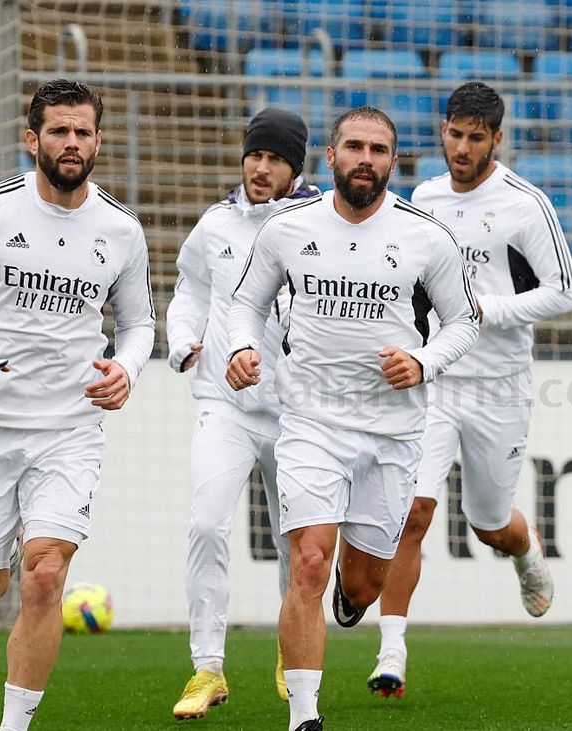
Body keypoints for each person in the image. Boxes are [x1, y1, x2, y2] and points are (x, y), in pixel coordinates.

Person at [0, 79, 155, 731]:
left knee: (47, 574)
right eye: (58, 131)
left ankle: (13, 725)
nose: (71, 143)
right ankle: (11, 540)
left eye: (82, 132)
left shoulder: (121, 231)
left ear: (99, 140)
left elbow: (138, 326)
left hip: (69, 428)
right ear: (33, 139)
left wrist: (125, 369)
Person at [226, 106, 479, 731]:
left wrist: (422, 362)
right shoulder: (288, 229)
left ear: (393, 162)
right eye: (354, 147)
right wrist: (239, 347)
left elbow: (465, 322)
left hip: (393, 432)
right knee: (309, 560)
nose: (366, 159)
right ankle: (305, 717)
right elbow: (244, 305)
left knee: (362, 584)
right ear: (331, 157)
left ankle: (353, 593)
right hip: (310, 423)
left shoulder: (426, 236)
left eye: (379, 150)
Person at [367, 81, 572, 698]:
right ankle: (392, 653)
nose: (462, 148)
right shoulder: (425, 196)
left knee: (488, 523)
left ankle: (524, 550)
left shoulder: (524, 204)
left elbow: (565, 291)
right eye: (454, 134)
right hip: (435, 378)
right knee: (414, 511)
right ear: (443, 132)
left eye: (475, 137)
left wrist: (489, 309)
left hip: (498, 387)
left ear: (496, 139)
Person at [166, 107, 319, 720]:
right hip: (224, 405)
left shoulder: (320, 223)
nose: (261, 167)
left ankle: (292, 650)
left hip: (300, 414)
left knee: (298, 543)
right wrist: (182, 343)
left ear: (296, 168)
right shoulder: (215, 223)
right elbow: (189, 291)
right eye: (255, 155)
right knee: (206, 525)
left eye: (275, 158)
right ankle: (207, 668)